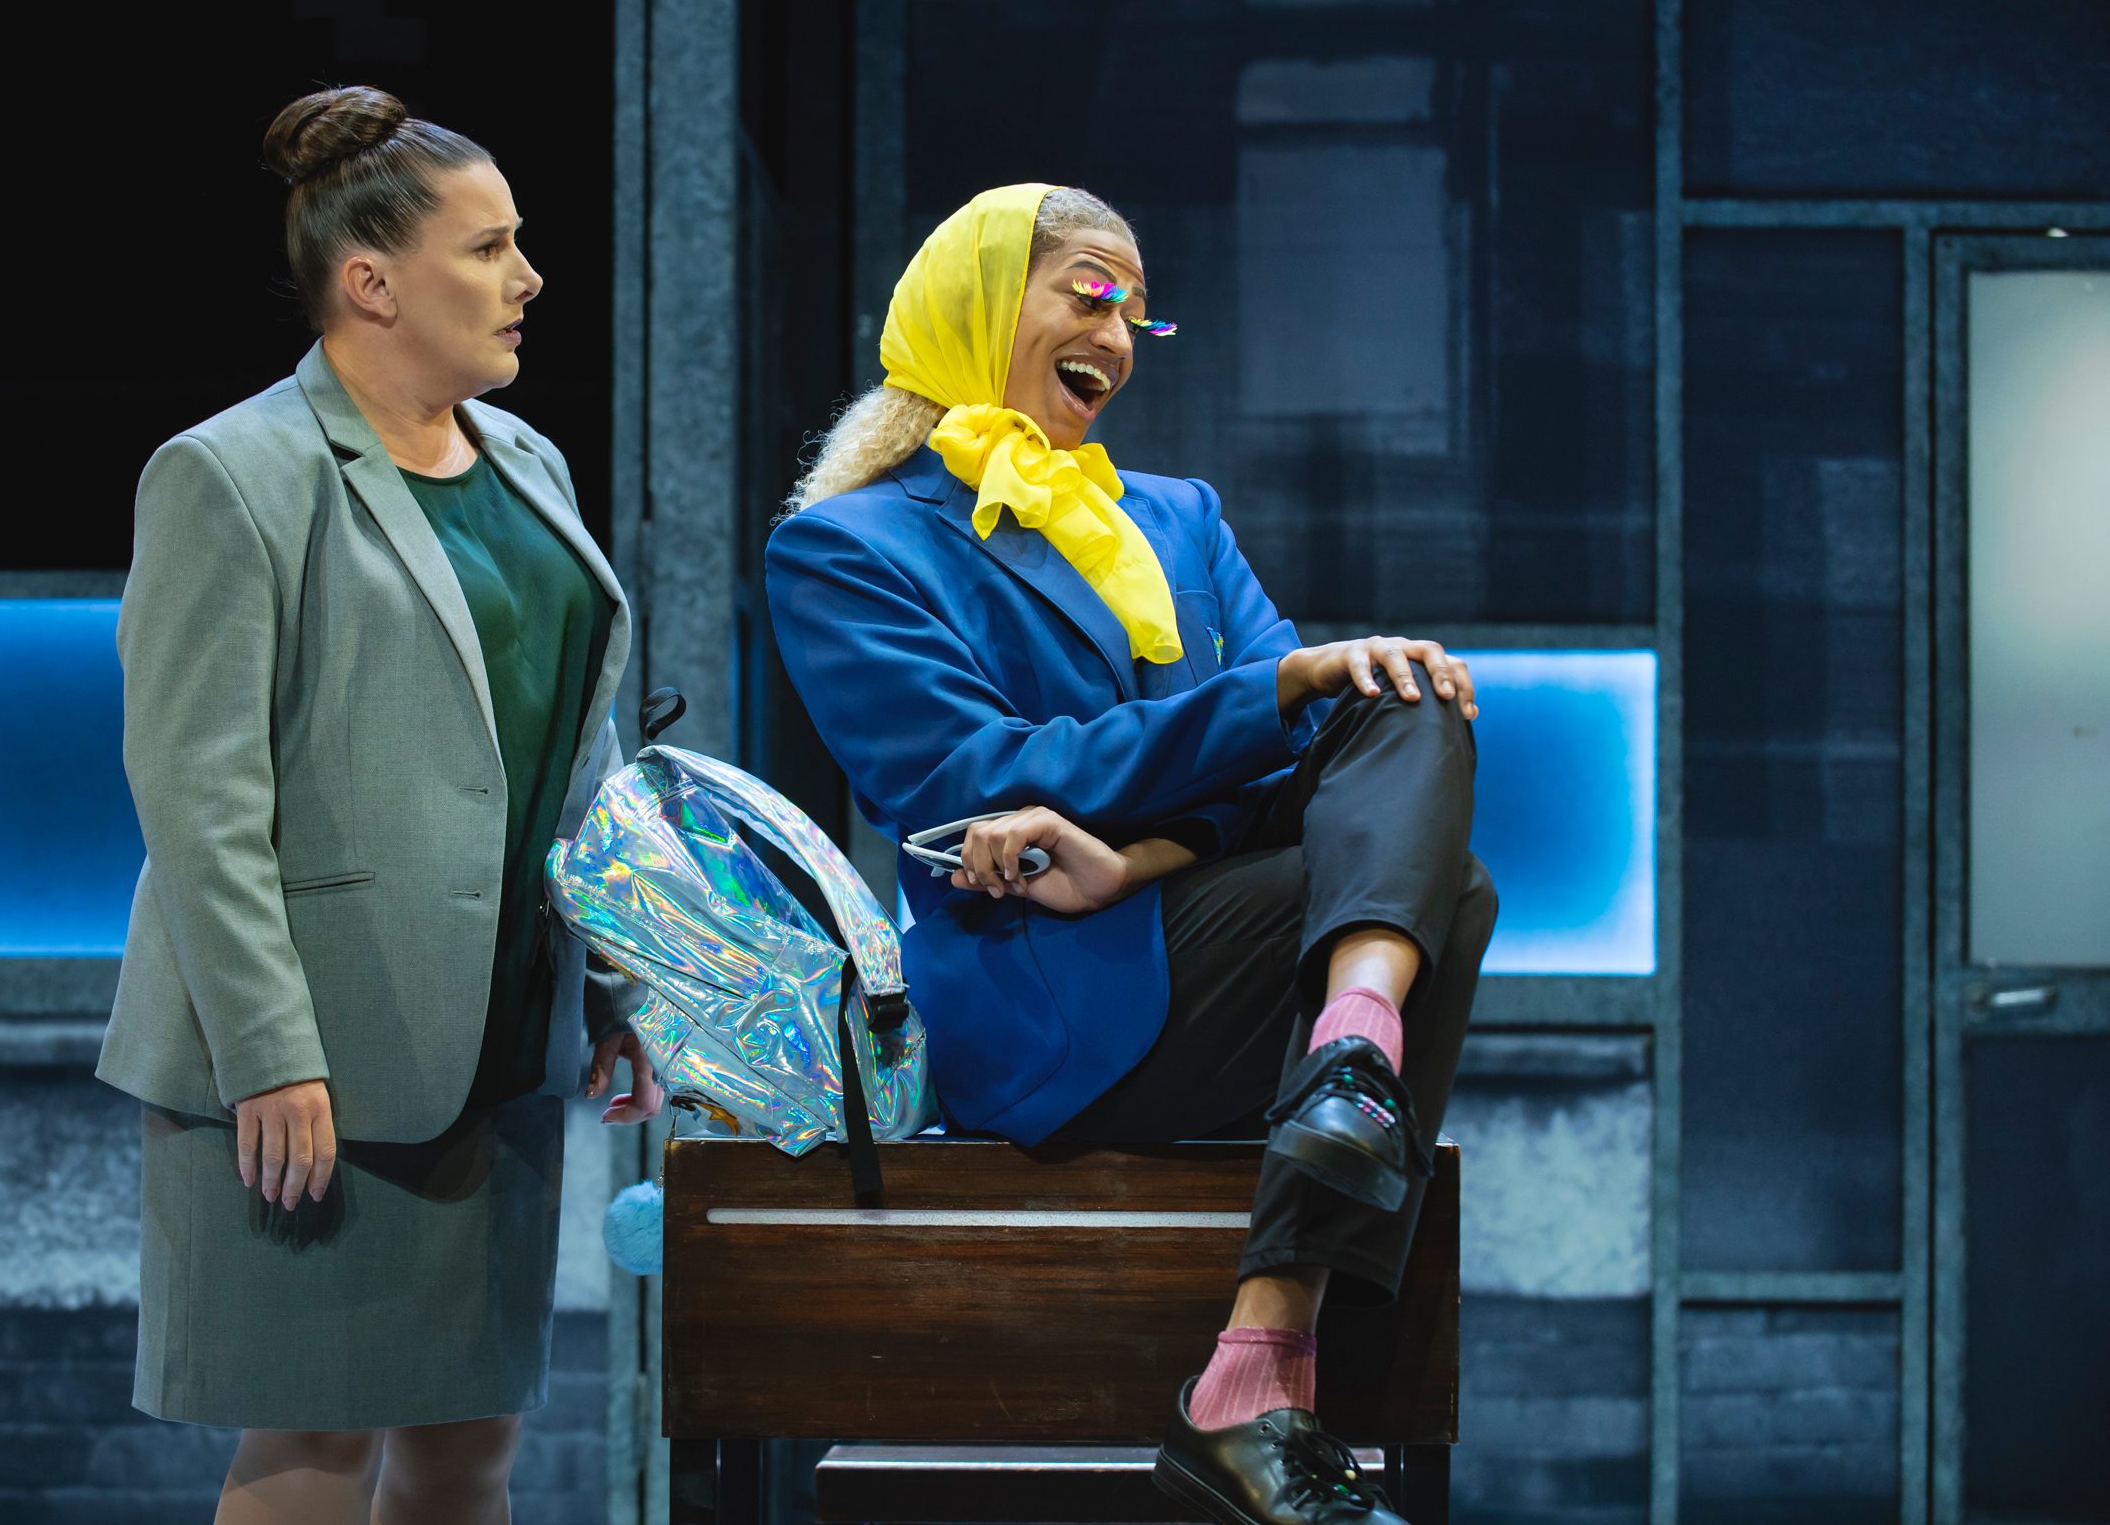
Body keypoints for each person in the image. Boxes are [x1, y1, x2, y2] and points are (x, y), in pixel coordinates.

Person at [764, 183, 1495, 1525]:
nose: (1118, 332)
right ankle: (1278, 1322)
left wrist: (1141, 855)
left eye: (1138, 313)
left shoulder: (1178, 516)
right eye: (1091, 293)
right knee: (1449, 883)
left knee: (1401, 695)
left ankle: (1346, 1065)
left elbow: (1292, 750)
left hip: (1176, 916)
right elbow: (964, 780)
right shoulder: (845, 548)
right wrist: (1266, 700)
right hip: (1053, 987)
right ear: (982, 302)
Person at [96, 85, 661, 1525]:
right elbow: (198, 798)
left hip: (494, 1046)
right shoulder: (233, 475)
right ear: (372, 282)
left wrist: (616, 983)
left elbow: (568, 755)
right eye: (488, 248)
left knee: (469, 1452)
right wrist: (270, 1055)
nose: (527, 278)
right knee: (313, 1447)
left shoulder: (525, 464)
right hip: (318, 1063)